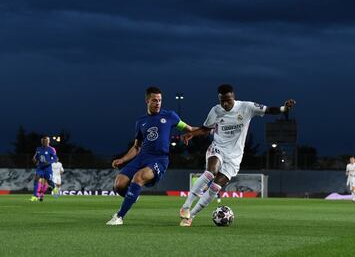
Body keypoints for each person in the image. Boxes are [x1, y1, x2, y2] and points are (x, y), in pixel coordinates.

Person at [179, 84, 295, 226]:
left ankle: (191, 217)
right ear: (219, 99)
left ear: (233, 96)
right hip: (218, 148)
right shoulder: (215, 110)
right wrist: (192, 133)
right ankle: (186, 206)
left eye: (228, 100)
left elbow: (268, 109)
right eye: (222, 101)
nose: (225, 104)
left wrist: (284, 108)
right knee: (210, 172)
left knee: (215, 188)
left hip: (234, 157)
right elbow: (205, 129)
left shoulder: (247, 107)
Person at [106, 86, 196, 225]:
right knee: (119, 184)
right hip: (142, 157)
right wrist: (123, 159)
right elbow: (137, 147)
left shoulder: (170, 116)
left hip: (159, 159)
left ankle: (119, 216)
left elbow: (189, 128)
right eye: (154, 100)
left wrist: (206, 130)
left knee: (138, 177)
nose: (158, 103)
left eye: (160, 100)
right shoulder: (140, 122)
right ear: (147, 101)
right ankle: (133, 196)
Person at [30, 136, 59, 202]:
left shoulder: (52, 149)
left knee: (49, 181)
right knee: (36, 179)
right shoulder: (38, 149)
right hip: (40, 167)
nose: (44, 142)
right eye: (43, 141)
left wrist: (48, 162)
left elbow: (56, 159)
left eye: (46, 141)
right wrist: (34, 159)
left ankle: (55, 188)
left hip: (47, 168)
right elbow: (36, 156)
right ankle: (35, 196)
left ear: (48, 141)